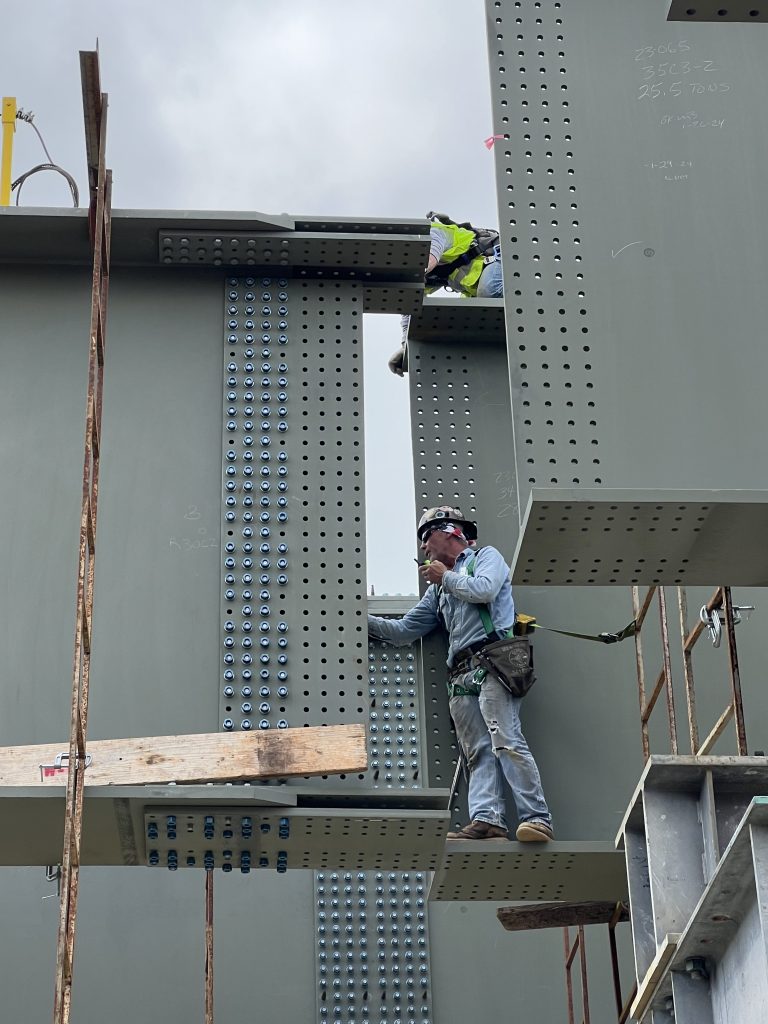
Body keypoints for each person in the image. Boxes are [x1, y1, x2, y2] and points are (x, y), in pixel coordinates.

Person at [367, 506, 553, 842]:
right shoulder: (438, 591)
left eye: (426, 537)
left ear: (450, 531)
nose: (424, 548)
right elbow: (405, 630)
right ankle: (487, 820)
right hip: (463, 675)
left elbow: (484, 590)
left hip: (493, 663)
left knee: (506, 740)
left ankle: (537, 818)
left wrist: (446, 577)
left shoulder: (485, 558)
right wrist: (358, 619)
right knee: (478, 751)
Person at [389, 213, 503, 376]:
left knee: (489, 294)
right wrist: (407, 347)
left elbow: (431, 255)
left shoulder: (433, 233)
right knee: (465, 325)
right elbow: (410, 308)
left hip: (498, 260)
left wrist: (414, 272)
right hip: (476, 289)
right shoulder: (420, 274)